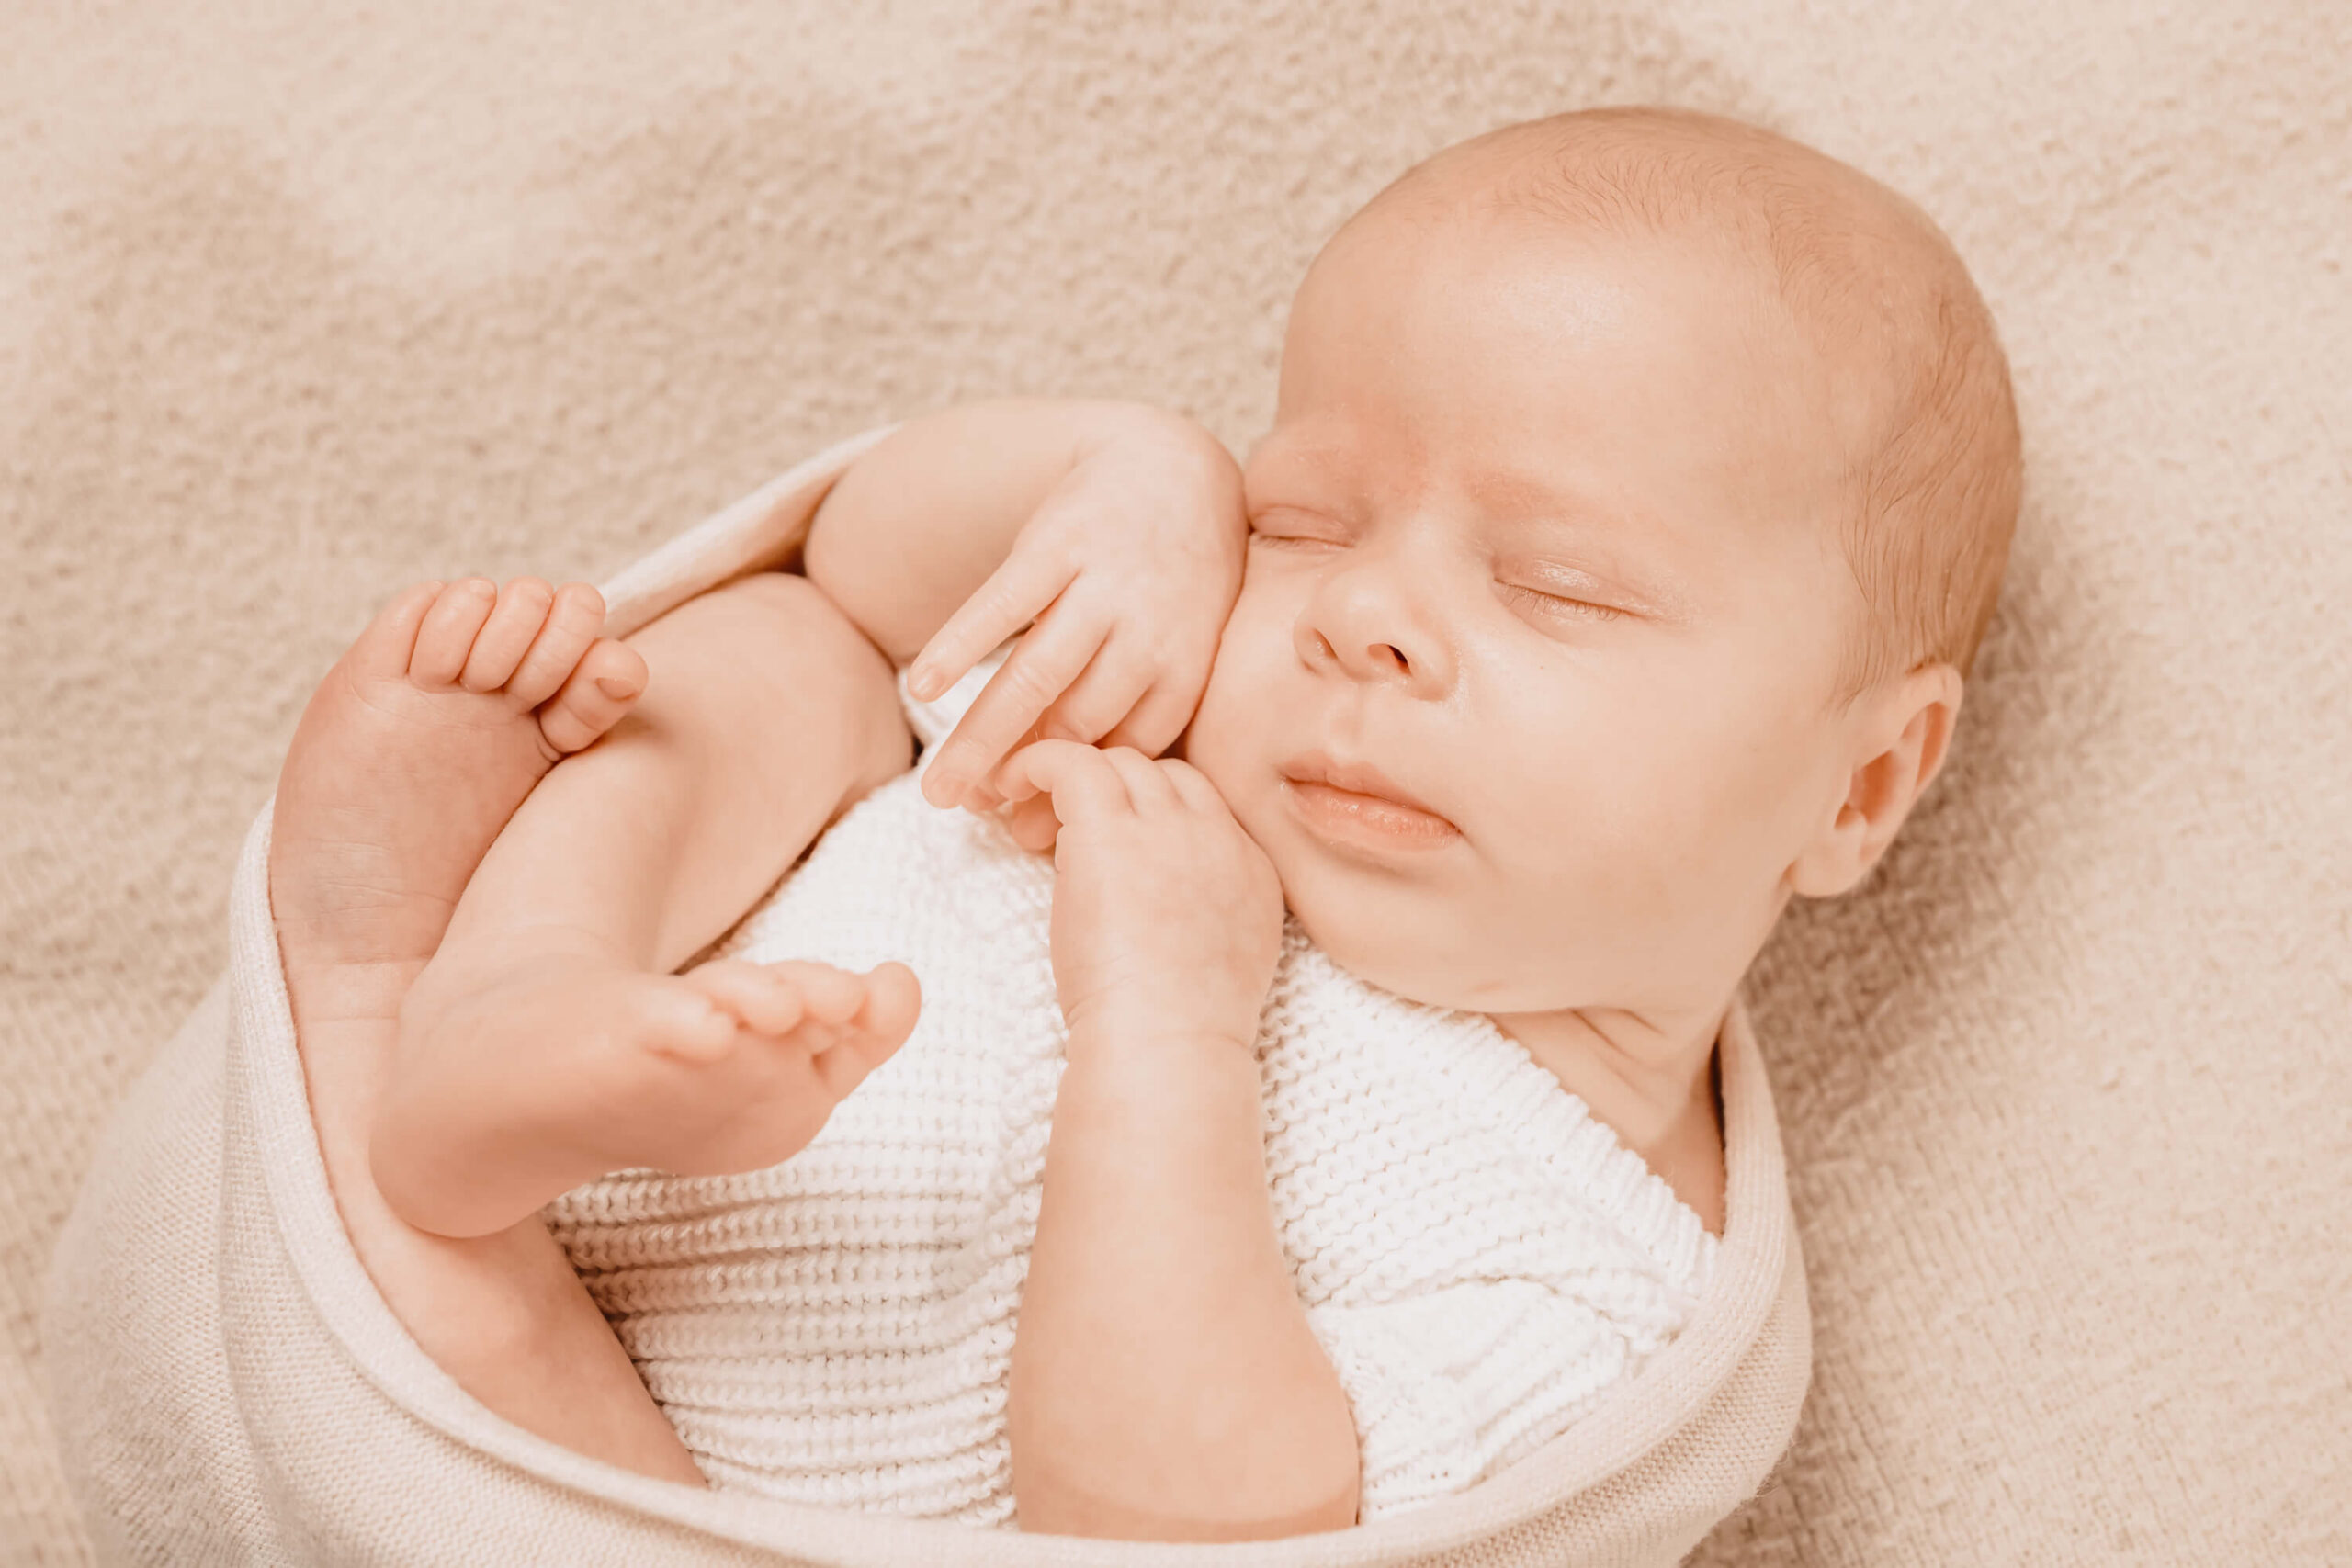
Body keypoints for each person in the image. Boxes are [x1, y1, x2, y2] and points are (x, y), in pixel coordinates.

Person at [262, 106, 2019, 1540]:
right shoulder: (1199, 721)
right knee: (802, 646)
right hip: (603, 1033)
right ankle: (516, 980)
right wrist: (1134, 475)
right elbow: (872, 569)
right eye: (1310, 517)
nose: (1360, 617)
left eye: (1555, 587)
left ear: (1858, 787)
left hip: (645, 1463)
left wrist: (1168, 1029)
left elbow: (1169, 1530)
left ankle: (380, 978)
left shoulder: (1583, 1282)